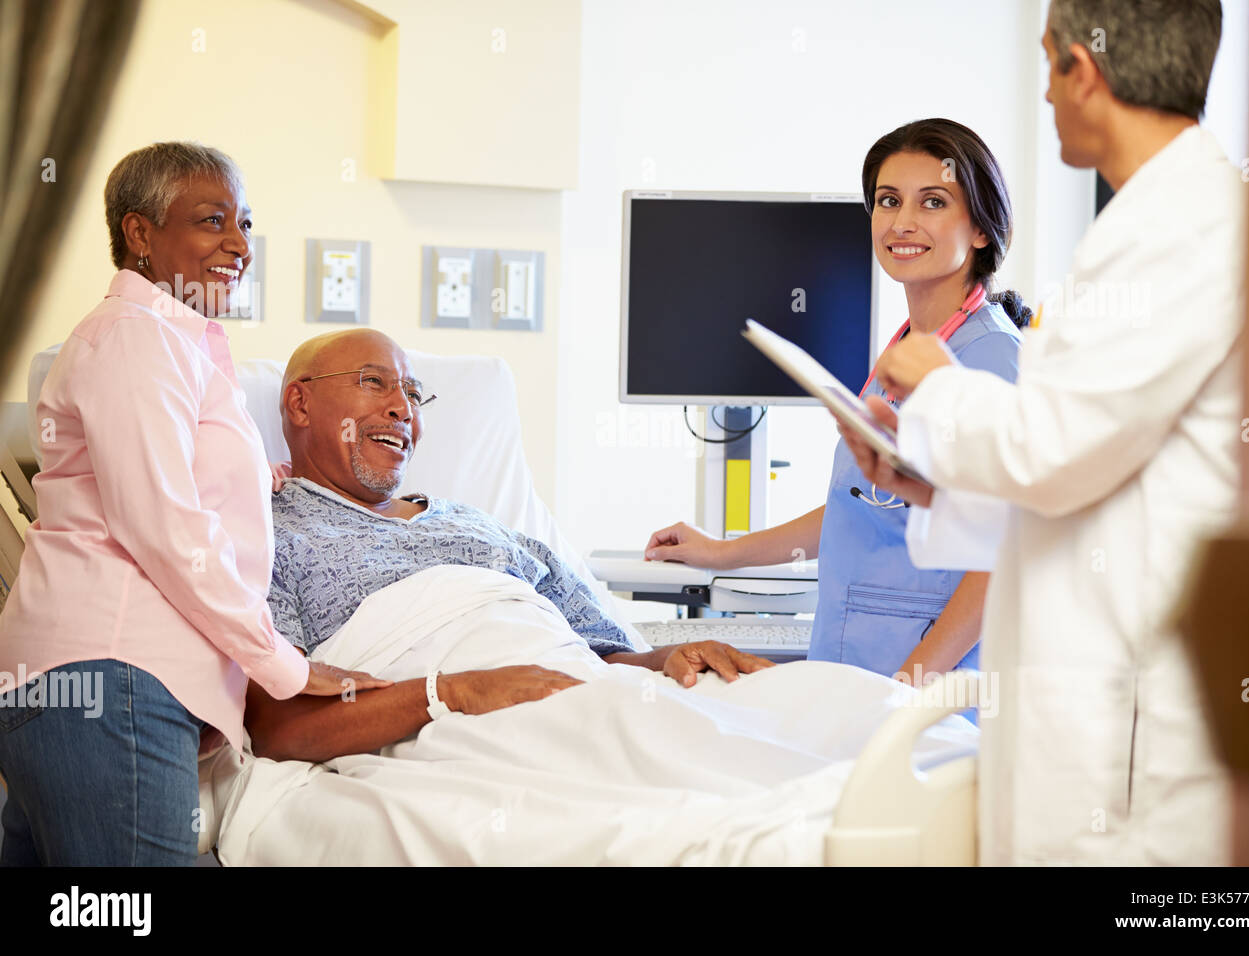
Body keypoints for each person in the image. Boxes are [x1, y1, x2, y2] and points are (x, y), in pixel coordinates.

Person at [836, 0, 1239, 865]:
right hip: (1088, 661)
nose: (1049, 94)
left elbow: (1051, 453)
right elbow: (1096, 470)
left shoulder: (1178, 233)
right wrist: (929, 482)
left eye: (1049, 64)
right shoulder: (1152, 223)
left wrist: (937, 386)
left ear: (1080, 71)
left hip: (1131, 695)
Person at [0, 143, 384, 866]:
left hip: (74, 683)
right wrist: (285, 666)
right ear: (140, 234)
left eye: (244, 223)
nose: (239, 245)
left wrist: (261, 480)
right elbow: (165, 527)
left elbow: (162, 481)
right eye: (213, 221)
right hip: (113, 679)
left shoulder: (171, 344)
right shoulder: (135, 340)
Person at [247, 329, 775, 762]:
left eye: (411, 392)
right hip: (464, 734)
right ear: (299, 403)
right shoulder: (268, 534)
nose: (402, 409)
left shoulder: (484, 527)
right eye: (374, 383)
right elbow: (279, 728)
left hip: (581, 699)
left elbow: (604, 657)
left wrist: (670, 658)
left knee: (783, 727)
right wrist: (454, 691)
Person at [645, 119, 1031, 689]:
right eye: (887, 200)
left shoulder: (989, 355)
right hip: (856, 663)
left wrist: (910, 683)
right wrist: (721, 553)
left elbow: (1002, 553)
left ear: (979, 228)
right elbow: (859, 509)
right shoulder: (906, 349)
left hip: (924, 686)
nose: (903, 222)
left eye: (932, 202)